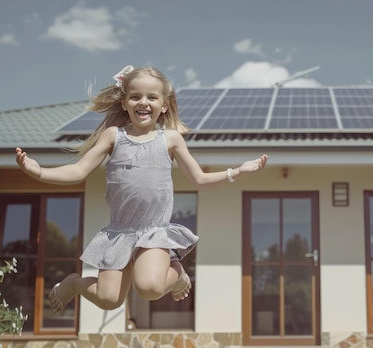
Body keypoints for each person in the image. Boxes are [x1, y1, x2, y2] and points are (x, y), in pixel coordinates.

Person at [15, 65, 268, 314]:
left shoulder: (170, 139)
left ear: (164, 105)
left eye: (151, 97)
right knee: (109, 299)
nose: (143, 102)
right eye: (135, 96)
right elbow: (79, 171)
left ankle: (178, 275)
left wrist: (237, 171)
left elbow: (199, 179)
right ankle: (74, 283)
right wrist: (39, 172)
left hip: (154, 231)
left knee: (149, 287)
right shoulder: (113, 136)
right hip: (120, 232)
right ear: (125, 103)